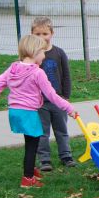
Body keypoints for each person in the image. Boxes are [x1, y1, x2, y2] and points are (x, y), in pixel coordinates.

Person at [0, 35, 77, 188]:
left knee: (30, 141)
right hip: (28, 113)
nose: (44, 55)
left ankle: (31, 170)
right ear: (34, 53)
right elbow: (51, 95)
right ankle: (27, 178)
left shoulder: (13, 68)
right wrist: (69, 108)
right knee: (32, 145)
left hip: (15, 112)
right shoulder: (37, 73)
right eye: (42, 51)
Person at [30, 17, 76, 171]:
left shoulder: (59, 53)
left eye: (45, 34)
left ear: (52, 33)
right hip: (39, 102)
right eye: (37, 34)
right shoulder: (31, 56)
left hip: (58, 100)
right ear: (32, 35)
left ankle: (66, 156)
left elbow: (66, 76)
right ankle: (45, 160)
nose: (41, 37)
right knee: (42, 132)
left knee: (61, 130)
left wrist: (66, 97)